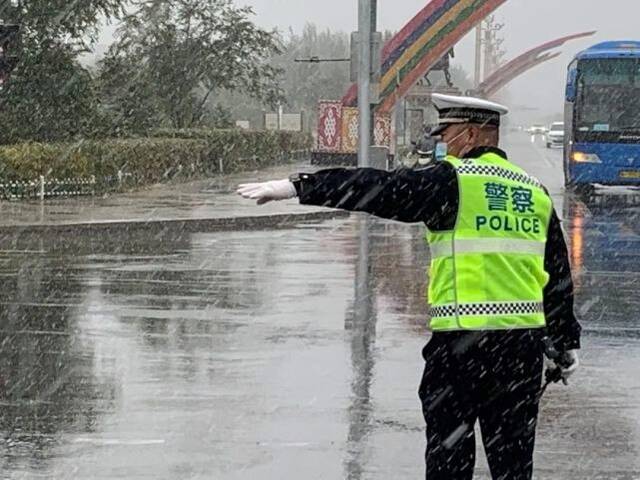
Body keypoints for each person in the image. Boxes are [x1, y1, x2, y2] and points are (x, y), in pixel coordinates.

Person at [237, 93, 582, 480]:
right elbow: (557, 275)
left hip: (461, 349)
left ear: (470, 134)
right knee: (513, 466)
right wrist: (565, 343)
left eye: (447, 133)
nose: (442, 142)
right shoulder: (534, 191)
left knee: (449, 462)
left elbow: (376, 188)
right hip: (520, 353)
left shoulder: (453, 181)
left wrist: (299, 187)